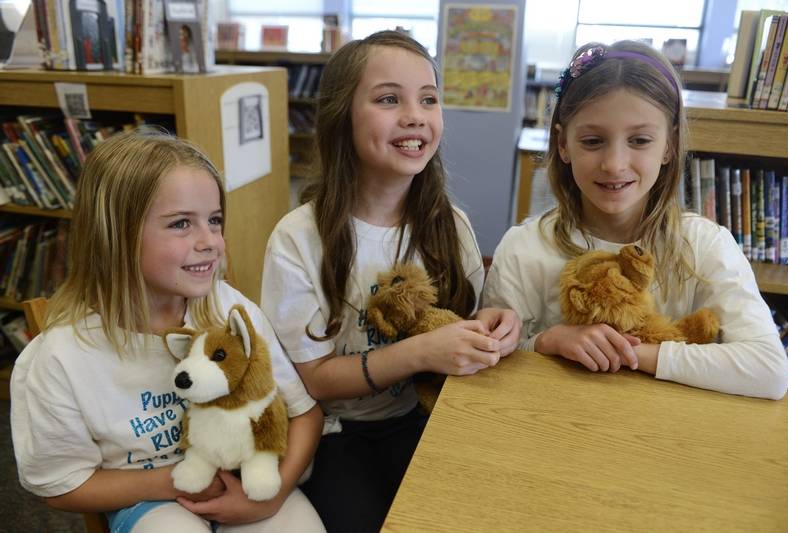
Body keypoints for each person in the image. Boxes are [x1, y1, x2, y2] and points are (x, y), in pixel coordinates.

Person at [260, 30, 521, 532]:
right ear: (342, 117)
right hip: (335, 433)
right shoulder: (298, 239)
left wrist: (492, 327)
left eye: (428, 99)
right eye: (388, 99)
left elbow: (458, 329)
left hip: (428, 417)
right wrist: (419, 353)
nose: (415, 115)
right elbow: (312, 380)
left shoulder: (452, 225)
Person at [10, 130, 326, 532]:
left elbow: (304, 413)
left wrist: (275, 494)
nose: (211, 241)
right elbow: (60, 485)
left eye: (214, 220)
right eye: (181, 224)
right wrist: (171, 480)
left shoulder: (230, 311)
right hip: (146, 495)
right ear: (115, 236)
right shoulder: (60, 357)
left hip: (248, 475)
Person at [483, 40, 788, 400]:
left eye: (640, 140)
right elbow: (490, 363)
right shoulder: (524, 248)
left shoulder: (705, 244)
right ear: (563, 144)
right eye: (593, 141)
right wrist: (547, 341)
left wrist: (632, 355)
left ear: (670, 146)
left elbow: (768, 369)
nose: (614, 163)